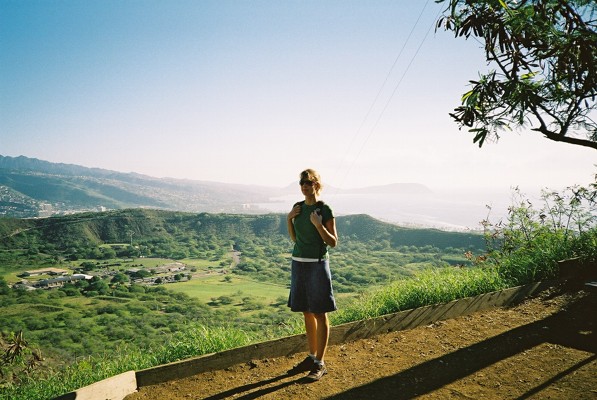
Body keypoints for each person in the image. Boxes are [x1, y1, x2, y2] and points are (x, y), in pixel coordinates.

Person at [286, 168, 338, 381]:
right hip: (298, 263)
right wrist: (289, 219)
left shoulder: (323, 209)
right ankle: (311, 355)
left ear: (316, 184)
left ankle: (320, 362)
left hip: (317, 264)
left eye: (308, 182)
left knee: (319, 312)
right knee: (306, 312)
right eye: (302, 182)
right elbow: (294, 239)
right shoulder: (297, 207)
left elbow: (333, 242)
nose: (304, 186)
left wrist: (318, 226)